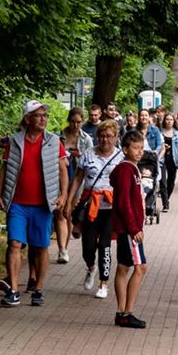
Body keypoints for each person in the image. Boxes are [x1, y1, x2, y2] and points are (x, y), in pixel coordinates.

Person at [0, 101, 68, 307]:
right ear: (28, 119)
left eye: (45, 115)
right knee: (14, 243)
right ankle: (14, 290)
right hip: (17, 203)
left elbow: (63, 169)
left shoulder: (54, 141)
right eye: (38, 115)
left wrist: (63, 196)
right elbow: (5, 168)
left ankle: (38, 289)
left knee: (41, 247)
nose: (44, 119)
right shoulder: (15, 141)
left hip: (43, 204)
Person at [68, 120, 123, 299]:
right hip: (91, 204)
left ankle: (103, 283)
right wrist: (70, 201)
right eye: (102, 136)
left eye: (109, 136)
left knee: (104, 245)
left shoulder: (121, 157)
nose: (105, 139)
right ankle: (91, 267)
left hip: (110, 207)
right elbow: (78, 177)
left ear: (115, 137)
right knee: (88, 246)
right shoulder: (88, 154)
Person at [111, 130, 149, 328]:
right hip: (129, 229)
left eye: (142, 148)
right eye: (135, 148)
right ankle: (126, 311)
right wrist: (134, 228)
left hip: (129, 227)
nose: (140, 152)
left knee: (124, 267)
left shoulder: (130, 169)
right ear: (125, 149)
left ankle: (122, 312)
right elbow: (124, 202)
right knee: (140, 267)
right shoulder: (126, 170)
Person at [56, 107, 93, 262]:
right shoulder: (58, 137)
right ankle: (62, 250)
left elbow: (90, 160)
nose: (75, 125)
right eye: (73, 122)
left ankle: (66, 245)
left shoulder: (86, 139)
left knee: (68, 212)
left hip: (77, 179)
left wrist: (79, 154)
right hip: (59, 177)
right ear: (68, 121)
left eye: (78, 122)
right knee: (59, 211)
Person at [158, 114, 178, 211]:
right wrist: (162, 146)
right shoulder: (159, 133)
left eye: (171, 120)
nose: (169, 121)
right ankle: (165, 204)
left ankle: (167, 199)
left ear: (174, 121)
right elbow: (157, 145)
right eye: (167, 119)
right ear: (164, 121)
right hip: (162, 159)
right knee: (163, 182)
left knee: (171, 183)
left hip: (173, 160)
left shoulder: (177, 134)